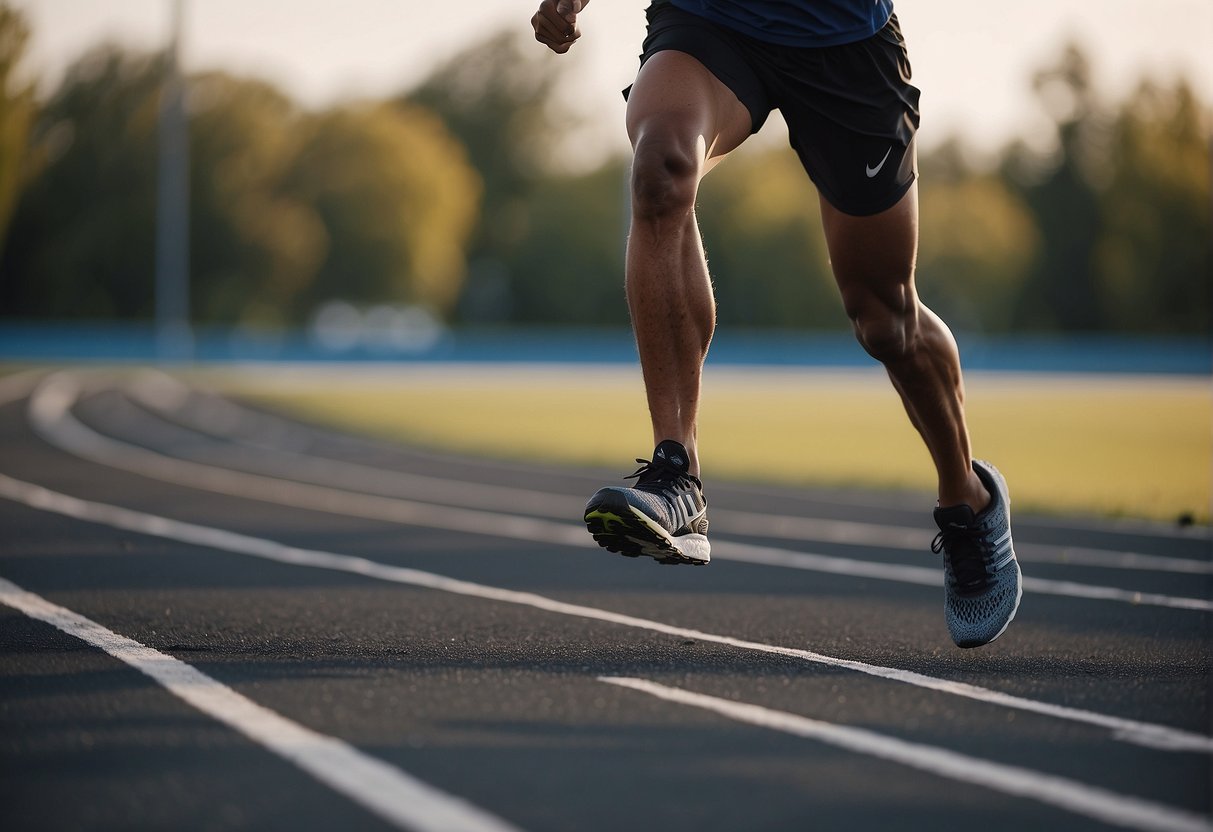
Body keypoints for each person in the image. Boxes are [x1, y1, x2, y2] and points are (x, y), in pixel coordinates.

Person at [531, 0, 1021, 648]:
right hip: (708, 22)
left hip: (844, 39)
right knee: (659, 170)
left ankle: (966, 497)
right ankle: (677, 472)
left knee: (884, 320)